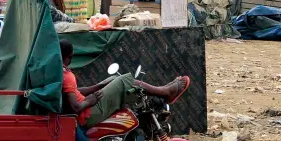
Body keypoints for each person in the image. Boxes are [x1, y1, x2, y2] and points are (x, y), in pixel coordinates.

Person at [60, 39, 190, 128]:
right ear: (70, 56)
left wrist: (99, 86)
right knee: (125, 81)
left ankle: (163, 90)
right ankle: (165, 92)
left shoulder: (59, 71)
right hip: (88, 112)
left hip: (86, 109)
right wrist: (90, 100)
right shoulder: (66, 75)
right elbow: (75, 107)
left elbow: (73, 92)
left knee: (112, 79)